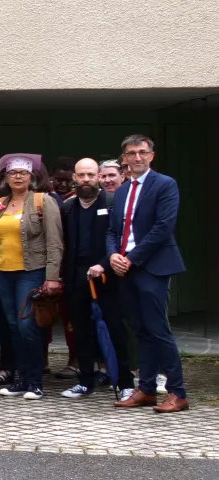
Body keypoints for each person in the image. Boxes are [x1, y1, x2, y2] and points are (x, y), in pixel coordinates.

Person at [99, 134, 188, 413]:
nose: (137, 157)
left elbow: (163, 228)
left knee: (158, 329)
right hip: (125, 269)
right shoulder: (122, 190)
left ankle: (178, 392)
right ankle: (146, 389)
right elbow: (113, 230)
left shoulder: (165, 184)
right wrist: (113, 255)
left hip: (153, 266)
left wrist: (131, 259)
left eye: (142, 152)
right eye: (131, 153)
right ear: (124, 158)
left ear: (151, 155)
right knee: (140, 331)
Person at [0, 153, 62, 401]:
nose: (17, 177)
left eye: (23, 173)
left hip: (31, 272)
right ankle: (20, 379)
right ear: (6, 178)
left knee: (27, 326)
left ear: (31, 177)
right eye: (12, 173)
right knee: (12, 327)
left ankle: (35, 381)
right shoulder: (1, 203)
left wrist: (52, 277)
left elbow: (55, 242)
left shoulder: (43, 201)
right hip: (3, 273)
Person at [59, 158, 131, 400]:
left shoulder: (112, 202)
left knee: (116, 329)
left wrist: (104, 264)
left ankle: (126, 383)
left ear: (99, 177)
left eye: (91, 175)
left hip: (108, 275)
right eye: (81, 175)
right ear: (75, 178)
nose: (86, 180)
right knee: (81, 331)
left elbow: (120, 239)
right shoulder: (68, 206)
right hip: (76, 276)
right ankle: (85, 381)